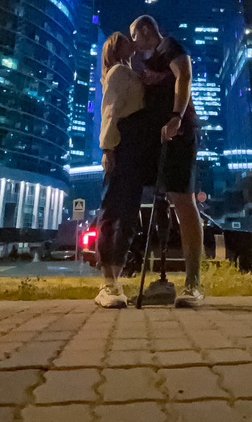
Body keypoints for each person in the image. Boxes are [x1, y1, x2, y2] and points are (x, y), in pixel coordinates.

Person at [130, 14, 204, 307]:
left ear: (146, 30)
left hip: (179, 134)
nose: (134, 43)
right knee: (163, 201)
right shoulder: (150, 62)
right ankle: (162, 281)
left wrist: (176, 117)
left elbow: (184, 74)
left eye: (134, 36)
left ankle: (193, 283)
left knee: (184, 200)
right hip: (159, 140)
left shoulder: (168, 46)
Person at [94, 31, 145, 308]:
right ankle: (109, 282)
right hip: (122, 146)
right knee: (113, 212)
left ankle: (115, 281)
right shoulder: (117, 72)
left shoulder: (128, 72)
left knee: (127, 215)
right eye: (125, 40)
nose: (131, 43)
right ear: (115, 47)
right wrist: (108, 149)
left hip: (133, 147)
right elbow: (110, 111)